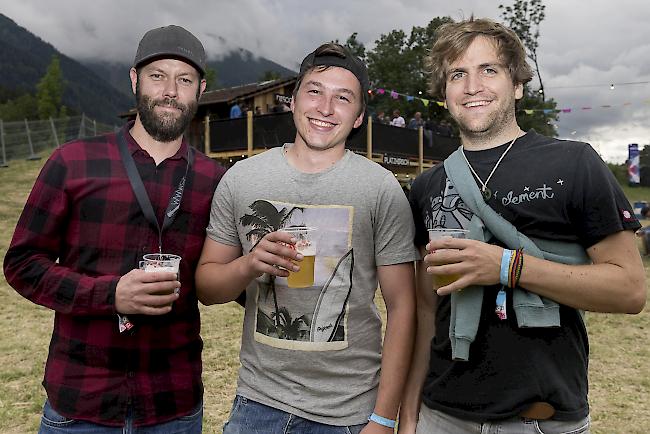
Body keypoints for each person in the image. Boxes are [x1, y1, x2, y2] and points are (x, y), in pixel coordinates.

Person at [400, 18, 646, 434]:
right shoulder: (426, 186)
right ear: (444, 92)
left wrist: (507, 268)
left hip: (539, 421)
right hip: (439, 417)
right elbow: (426, 311)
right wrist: (409, 417)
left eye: (488, 70)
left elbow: (630, 290)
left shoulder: (574, 163)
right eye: (457, 74)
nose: (471, 85)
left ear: (516, 84)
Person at [3, 25, 225, 433]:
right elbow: (22, 264)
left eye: (185, 79)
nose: (171, 90)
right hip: (81, 403)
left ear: (201, 88)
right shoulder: (73, 162)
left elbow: (227, 282)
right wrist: (109, 294)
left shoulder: (217, 181)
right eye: (158, 75)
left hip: (173, 406)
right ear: (135, 79)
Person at [196, 42, 418, 433]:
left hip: (348, 412)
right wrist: (249, 264)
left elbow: (402, 307)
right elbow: (207, 289)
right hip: (257, 403)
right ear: (292, 100)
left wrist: (384, 418)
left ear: (359, 117)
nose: (326, 108)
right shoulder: (242, 180)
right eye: (314, 91)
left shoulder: (381, 189)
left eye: (343, 98)